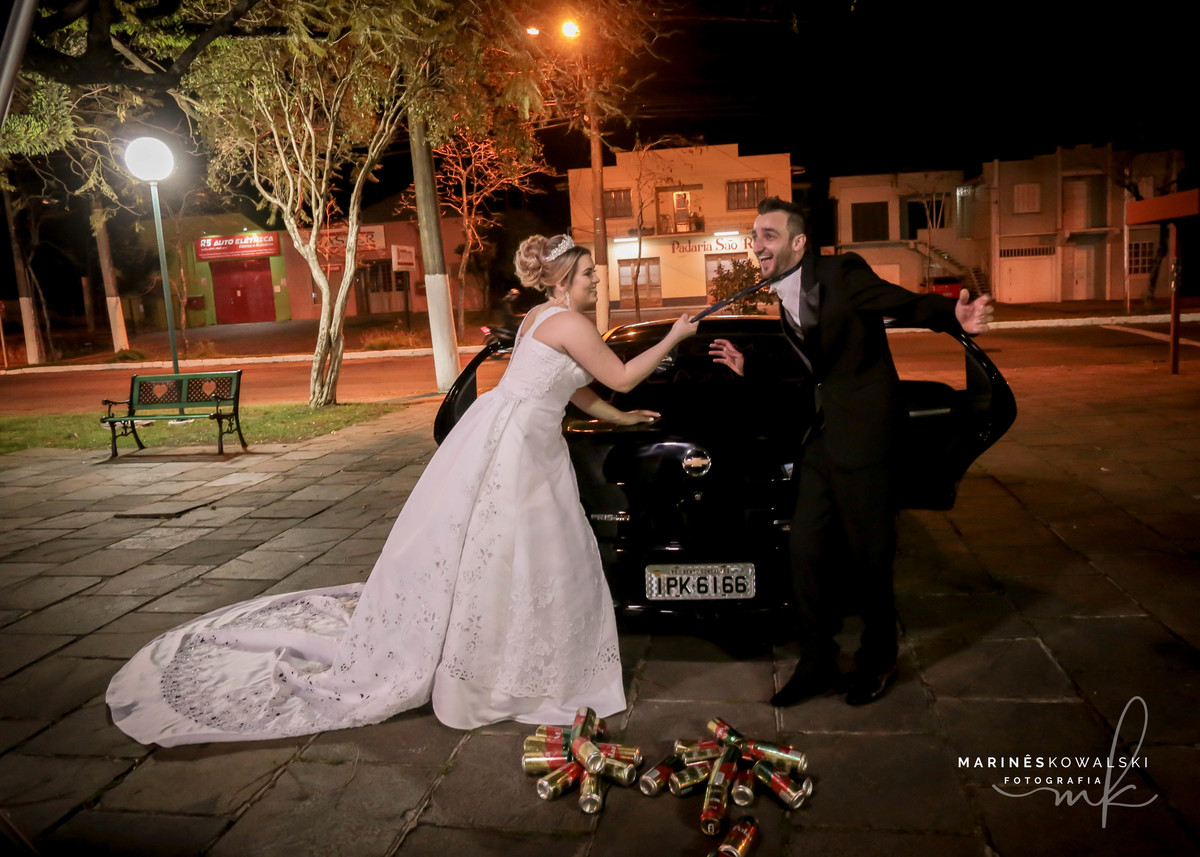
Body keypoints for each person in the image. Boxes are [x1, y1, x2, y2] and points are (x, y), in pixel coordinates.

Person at [106, 234, 698, 745]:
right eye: (590, 273)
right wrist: (674, 334)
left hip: (515, 432)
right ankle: (506, 666)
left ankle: (514, 654)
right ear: (564, 279)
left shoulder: (541, 318)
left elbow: (573, 388)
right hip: (520, 446)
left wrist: (621, 418)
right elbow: (620, 375)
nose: (597, 280)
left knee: (508, 551)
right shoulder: (569, 321)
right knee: (523, 549)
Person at [709, 197, 993, 708]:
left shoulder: (840, 273)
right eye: (755, 236)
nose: (758, 245)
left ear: (799, 242)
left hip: (866, 439)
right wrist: (750, 368)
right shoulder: (785, 293)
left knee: (869, 557)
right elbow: (816, 369)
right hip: (823, 440)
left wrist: (953, 314)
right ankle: (817, 660)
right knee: (805, 550)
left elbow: (898, 301)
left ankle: (878, 659)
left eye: (769, 235)